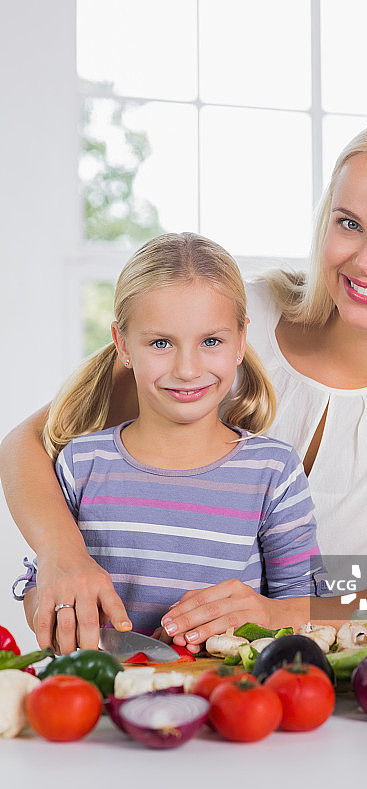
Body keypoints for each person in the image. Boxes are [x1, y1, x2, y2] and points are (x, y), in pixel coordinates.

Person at [2, 111, 367, 652]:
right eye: (348, 223)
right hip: (152, 657)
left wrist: (280, 613)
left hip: (309, 671)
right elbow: (27, 445)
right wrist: (62, 553)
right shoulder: (230, 321)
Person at [10, 232, 323, 652]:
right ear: (122, 343)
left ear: (241, 340)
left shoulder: (274, 472)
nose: (188, 369)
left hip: (226, 698)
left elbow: (308, 605)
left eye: (211, 341)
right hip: (101, 695)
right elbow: (40, 583)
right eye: (161, 343)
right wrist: (61, 613)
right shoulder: (81, 463)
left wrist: (260, 618)